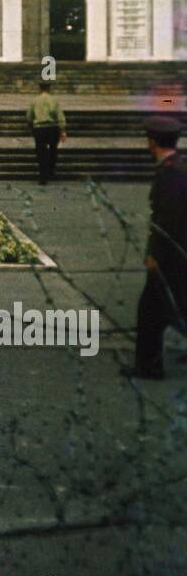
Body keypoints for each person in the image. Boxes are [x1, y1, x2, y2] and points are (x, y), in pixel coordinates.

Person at [122, 115, 187, 381]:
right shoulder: (177, 168)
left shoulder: (170, 174)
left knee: (149, 311)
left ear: (152, 142)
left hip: (170, 257)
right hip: (180, 255)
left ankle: (149, 367)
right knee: (179, 306)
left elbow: (166, 221)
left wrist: (154, 255)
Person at [26, 80, 67, 185]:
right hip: (53, 128)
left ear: (40, 89)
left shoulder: (35, 100)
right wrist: (62, 130)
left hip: (39, 128)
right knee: (53, 150)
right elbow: (60, 116)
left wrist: (31, 126)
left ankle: (43, 176)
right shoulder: (54, 100)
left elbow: (29, 116)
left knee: (41, 152)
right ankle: (51, 172)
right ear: (49, 89)